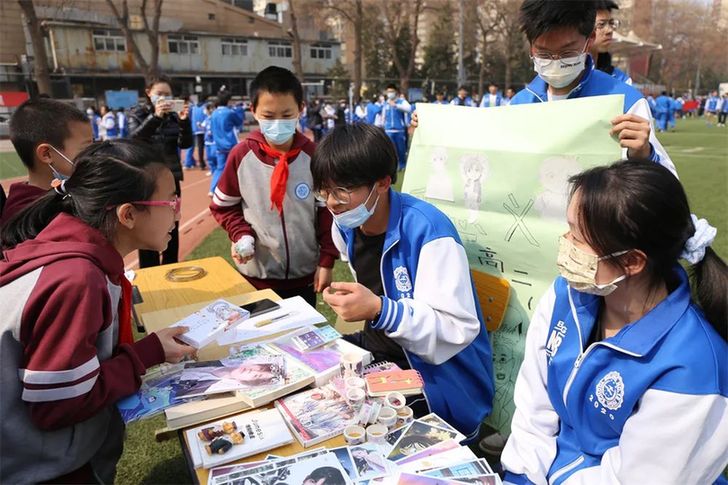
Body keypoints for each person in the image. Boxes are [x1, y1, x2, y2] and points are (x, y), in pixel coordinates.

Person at [501, 160, 728, 484]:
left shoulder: (694, 367)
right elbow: (534, 405)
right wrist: (522, 474)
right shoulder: (568, 294)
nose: (565, 242)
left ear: (632, 261)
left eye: (577, 238)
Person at [0, 139, 196, 483]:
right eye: (170, 201)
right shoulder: (77, 280)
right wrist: (138, 359)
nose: (177, 212)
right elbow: (59, 405)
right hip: (44, 470)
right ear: (128, 214)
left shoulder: (75, 255)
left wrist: (149, 349)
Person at [313, 123, 494, 439]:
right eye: (324, 190)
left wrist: (380, 310)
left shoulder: (429, 232)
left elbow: (456, 329)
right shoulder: (343, 226)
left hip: (440, 379)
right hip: (381, 354)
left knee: (359, 440)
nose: (332, 202)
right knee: (307, 381)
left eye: (342, 190)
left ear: (383, 182)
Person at [209, 66, 337, 307]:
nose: (278, 123)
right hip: (256, 278)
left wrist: (327, 259)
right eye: (268, 116)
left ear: (301, 109)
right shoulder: (241, 156)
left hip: (304, 277)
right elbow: (223, 206)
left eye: (287, 114)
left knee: (301, 342)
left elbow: (326, 212)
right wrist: (241, 234)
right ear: (253, 111)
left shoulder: (313, 156)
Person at [510, 0, 673, 173]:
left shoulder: (626, 101)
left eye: (567, 52)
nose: (556, 61)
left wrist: (645, 155)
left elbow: (668, 184)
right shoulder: (518, 105)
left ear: (590, 40)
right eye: (543, 53)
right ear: (530, 46)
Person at [129, 74, 193, 267]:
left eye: (168, 94)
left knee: (171, 227)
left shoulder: (175, 116)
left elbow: (185, 144)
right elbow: (134, 140)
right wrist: (155, 117)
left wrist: (184, 122)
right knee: (147, 227)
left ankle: (171, 267)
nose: (164, 99)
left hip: (171, 179)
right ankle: (149, 273)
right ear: (149, 93)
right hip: (145, 181)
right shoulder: (138, 114)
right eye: (160, 94)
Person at [1, 98, 93, 227]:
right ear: (46, 154)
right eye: (85, 148)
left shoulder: (65, 192)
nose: (94, 154)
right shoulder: (29, 217)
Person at [209, 88, 245, 196]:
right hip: (231, 144)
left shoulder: (214, 113)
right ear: (228, 100)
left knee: (220, 168)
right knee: (237, 166)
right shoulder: (229, 112)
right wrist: (239, 109)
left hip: (219, 145)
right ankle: (236, 189)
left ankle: (212, 189)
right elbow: (239, 122)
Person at [590, 1, 632, 85]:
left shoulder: (620, 80)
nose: (610, 30)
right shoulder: (563, 78)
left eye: (611, 23)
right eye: (601, 24)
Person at [381, 84, 412, 171]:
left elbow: (409, 109)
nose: (389, 93)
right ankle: (393, 166)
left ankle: (402, 165)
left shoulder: (401, 101)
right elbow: (383, 116)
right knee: (391, 150)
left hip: (399, 130)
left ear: (396, 92)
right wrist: (382, 126)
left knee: (401, 149)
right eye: (388, 92)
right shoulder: (385, 103)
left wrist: (396, 105)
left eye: (391, 91)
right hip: (388, 130)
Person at [184, 98, 207, 170]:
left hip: (194, 128)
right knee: (192, 146)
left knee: (196, 146)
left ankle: (193, 162)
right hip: (202, 129)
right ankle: (188, 163)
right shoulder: (203, 107)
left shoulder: (193, 107)